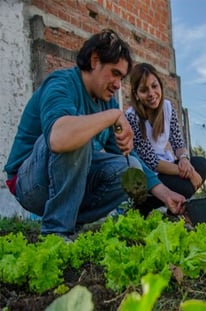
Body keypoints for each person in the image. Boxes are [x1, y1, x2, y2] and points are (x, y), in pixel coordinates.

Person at [4, 29, 186, 241]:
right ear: (94, 61)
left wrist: (165, 194)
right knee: (76, 137)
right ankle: (57, 232)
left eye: (122, 77)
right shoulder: (61, 84)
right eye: (115, 73)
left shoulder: (105, 101)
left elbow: (127, 154)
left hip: (65, 180)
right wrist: (113, 115)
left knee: (130, 167)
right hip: (30, 184)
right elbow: (59, 138)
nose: (118, 84)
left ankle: (70, 221)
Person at [125, 63, 206, 216]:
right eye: (144, 90)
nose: (151, 93)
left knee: (202, 165)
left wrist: (184, 160)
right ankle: (145, 206)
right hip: (148, 175)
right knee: (186, 185)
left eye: (154, 86)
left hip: (168, 166)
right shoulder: (132, 117)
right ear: (136, 94)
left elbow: (178, 142)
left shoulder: (167, 107)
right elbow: (152, 162)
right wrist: (189, 173)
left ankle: (171, 208)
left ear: (160, 86)